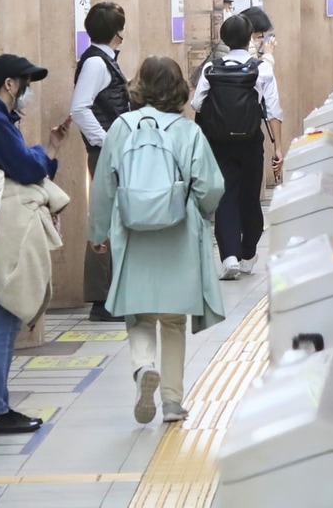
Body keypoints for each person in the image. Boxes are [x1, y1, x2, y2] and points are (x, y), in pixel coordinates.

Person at [87, 56, 226, 424]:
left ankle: (144, 367)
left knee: (140, 316)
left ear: (140, 86)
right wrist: (198, 210)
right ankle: (171, 401)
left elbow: (103, 186)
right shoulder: (187, 131)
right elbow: (211, 186)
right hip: (178, 234)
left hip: (133, 233)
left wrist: (98, 233)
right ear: (179, 88)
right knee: (174, 321)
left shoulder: (122, 127)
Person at [0, 54, 71, 435]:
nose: (27, 92)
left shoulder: (2, 122)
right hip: (7, 229)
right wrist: (38, 153)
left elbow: (28, 163)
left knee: (6, 318)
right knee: (3, 317)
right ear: (9, 85)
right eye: (24, 84)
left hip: (9, 225)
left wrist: (47, 148)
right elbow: (28, 169)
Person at [191, 14, 284, 280]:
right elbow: (273, 110)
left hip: (219, 143)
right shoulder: (261, 69)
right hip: (250, 141)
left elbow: (197, 104)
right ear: (249, 38)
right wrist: (278, 147)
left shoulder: (211, 69)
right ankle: (248, 251)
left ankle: (229, 256)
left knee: (225, 196)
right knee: (249, 197)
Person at [70, 1, 130, 322]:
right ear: (118, 31)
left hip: (110, 151)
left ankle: (112, 294)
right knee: (105, 222)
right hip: (107, 152)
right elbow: (80, 108)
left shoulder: (103, 60)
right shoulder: (96, 63)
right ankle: (103, 298)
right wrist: (107, 141)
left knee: (111, 219)